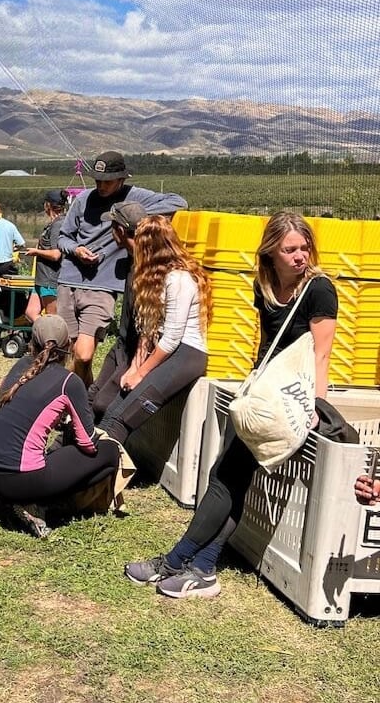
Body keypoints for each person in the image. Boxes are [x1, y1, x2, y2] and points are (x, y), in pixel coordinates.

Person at [124, 212, 338, 599]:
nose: (300, 255)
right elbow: (266, 344)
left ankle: (175, 561)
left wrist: (316, 407)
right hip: (263, 397)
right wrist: (253, 389)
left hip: (294, 404)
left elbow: (321, 356)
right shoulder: (266, 285)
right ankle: (203, 568)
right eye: (290, 249)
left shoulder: (319, 290)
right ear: (271, 252)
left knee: (226, 478)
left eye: (304, 247)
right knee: (234, 480)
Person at [0, 314, 121, 537]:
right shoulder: (70, 382)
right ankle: (37, 503)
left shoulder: (19, 366)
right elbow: (87, 443)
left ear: (31, 343)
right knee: (109, 453)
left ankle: (0, 498)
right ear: (69, 345)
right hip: (17, 480)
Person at [57, 150, 188, 387]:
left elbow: (178, 201)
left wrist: (132, 217)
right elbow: (63, 238)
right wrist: (76, 249)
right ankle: (79, 401)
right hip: (69, 280)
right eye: (98, 181)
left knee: (84, 354)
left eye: (107, 181)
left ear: (121, 179)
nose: (101, 186)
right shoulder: (83, 199)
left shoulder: (134, 196)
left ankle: (79, 400)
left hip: (103, 285)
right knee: (69, 350)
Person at [96, 214, 212, 445]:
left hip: (186, 353)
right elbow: (147, 330)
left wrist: (141, 373)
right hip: (165, 351)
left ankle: (101, 470)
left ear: (151, 248)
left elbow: (171, 338)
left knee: (121, 419)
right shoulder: (153, 279)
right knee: (112, 410)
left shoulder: (179, 279)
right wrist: (134, 367)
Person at [87, 201, 148, 418]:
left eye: (112, 226)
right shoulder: (131, 258)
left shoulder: (148, 266)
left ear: (120, 231)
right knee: (91, 396)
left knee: (102, 405)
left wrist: (136, 364)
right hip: (122, 344)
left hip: (135, 350)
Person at [24, 189, 69, 322]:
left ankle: (54, 341)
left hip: (50, 280)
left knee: (52, 318)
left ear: (48, 205)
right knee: (31, 312)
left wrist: (36, 252)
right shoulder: (52, 224)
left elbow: (56, 254)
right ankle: (44, 337)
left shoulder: (58, 224)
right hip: (41, 279)